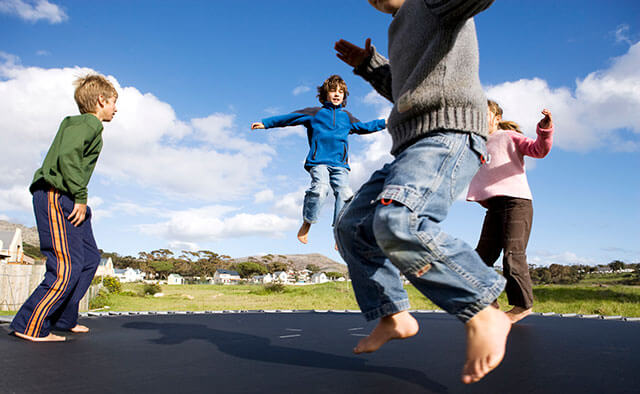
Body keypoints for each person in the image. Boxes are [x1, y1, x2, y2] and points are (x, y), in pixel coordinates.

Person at [333, 0, 511, 384]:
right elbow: (407, 89)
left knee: (401, 219)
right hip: (410, 145)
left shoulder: (433, 3)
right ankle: (393, 313)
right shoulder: (398, 27)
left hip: (450, 133)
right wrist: (370, 66)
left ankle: (482, 309)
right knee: (351, 226)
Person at [10, 74, 118, 342]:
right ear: (101, 100)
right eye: (114, 103)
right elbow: (68, 156)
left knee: (91, 258)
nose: (116, 109)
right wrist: (80, 196)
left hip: (70, 197)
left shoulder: (88, 127)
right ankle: (29, 324)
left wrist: (79, 199)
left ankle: (63, 317)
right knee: (66, 265)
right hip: (57, 194)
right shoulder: (87, 124)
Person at [251, 75, 386, 244]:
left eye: (341, 92)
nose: (337, 94)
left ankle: (340, 232)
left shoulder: (347, 117)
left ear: (344, 96)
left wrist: (385, 122)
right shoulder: (315, 113)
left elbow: (365, 127)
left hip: (340, 165)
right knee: (321, 189)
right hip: (319, 161)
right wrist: (266, 123)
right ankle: (307, 223)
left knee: (344, 193)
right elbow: (289, 118)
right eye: (333, 91)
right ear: (325, 94)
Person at [467, 101, 554, 323]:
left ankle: (522, 306)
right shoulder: (474, 144)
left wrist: (544, 130)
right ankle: (489, 301)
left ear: (496, 118)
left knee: (512, 255)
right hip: (495, 206)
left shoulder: (508, 137)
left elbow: (538, 150)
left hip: (517, 203)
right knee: (480, 258)